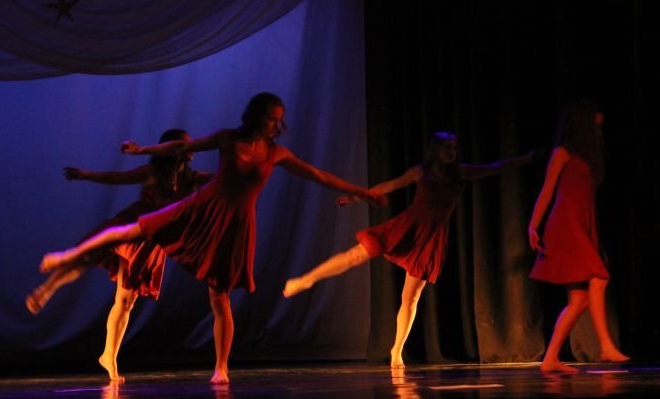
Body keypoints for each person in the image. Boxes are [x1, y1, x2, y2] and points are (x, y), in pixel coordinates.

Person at [38, 92, 385, 384]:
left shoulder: (275, 154)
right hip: (201, 208)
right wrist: (142, 150)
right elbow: (184, 146)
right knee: (134, 229)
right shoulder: (227, 139)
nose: (275, 125)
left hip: (233, 226)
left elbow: (318, 175)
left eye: (279, 120)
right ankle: (68, 256)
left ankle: (221, 368)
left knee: (219, 298)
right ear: (256, 116)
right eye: (270, 118)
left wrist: (362, 192)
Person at [283, 131, 534, 369]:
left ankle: (397, 349)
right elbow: (388, 186)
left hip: (430, 240)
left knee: (411, 298)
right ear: (436, 150)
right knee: (355, 255)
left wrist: (526, 159)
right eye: (447, 148)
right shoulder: (421, 172)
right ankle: (306, 280)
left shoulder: (460, 173)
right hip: (406, 229)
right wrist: (356, 197)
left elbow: (494, 167)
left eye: (455, 148)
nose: (452, 152)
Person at [26, 129, 212, 381]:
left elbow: (222, 180)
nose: (190, 149)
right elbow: (117, 177)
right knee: (89, 256)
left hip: (149, 242)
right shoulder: (152, 172)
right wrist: (86, 175)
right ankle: (47, 288)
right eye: (183, 145)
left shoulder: (192, 179)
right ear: (170, 149)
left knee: (125, 302)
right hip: (129, 226)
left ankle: (109, 356)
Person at [528, 100, 629, 373]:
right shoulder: (563, 152)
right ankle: (606, 347)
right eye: (594, 127)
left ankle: (550, 359)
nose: (598, 133)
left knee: (579, 300)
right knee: (600, 277)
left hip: (583, 224)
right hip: (566, 224)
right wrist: (533, 226)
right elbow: (547, 190)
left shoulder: (589, 158)